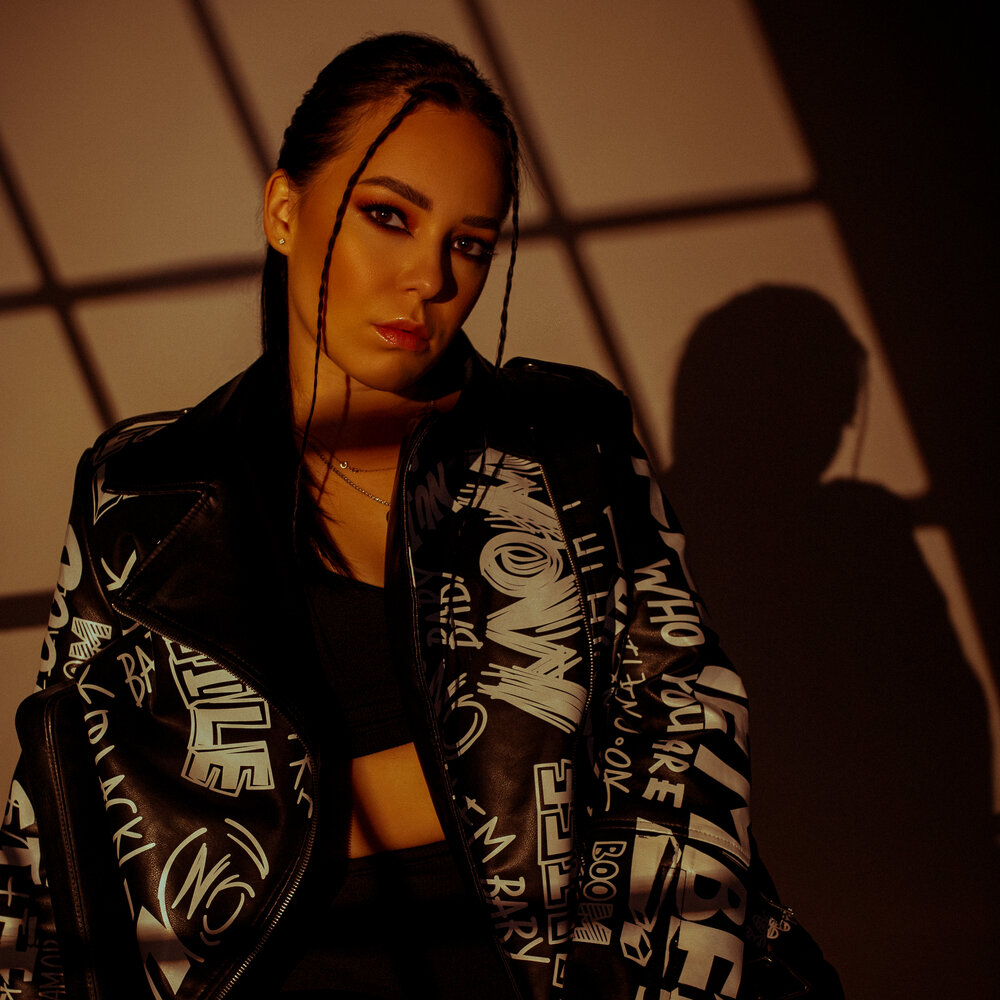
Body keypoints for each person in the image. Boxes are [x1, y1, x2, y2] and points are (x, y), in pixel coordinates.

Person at [0, 33, 828, 1000]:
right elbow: (60, 812)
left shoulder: (568, 442)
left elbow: (689, 733)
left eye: (468, 243)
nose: (429, 280)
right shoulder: (144, 486)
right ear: (283, 211)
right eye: (388, 216)